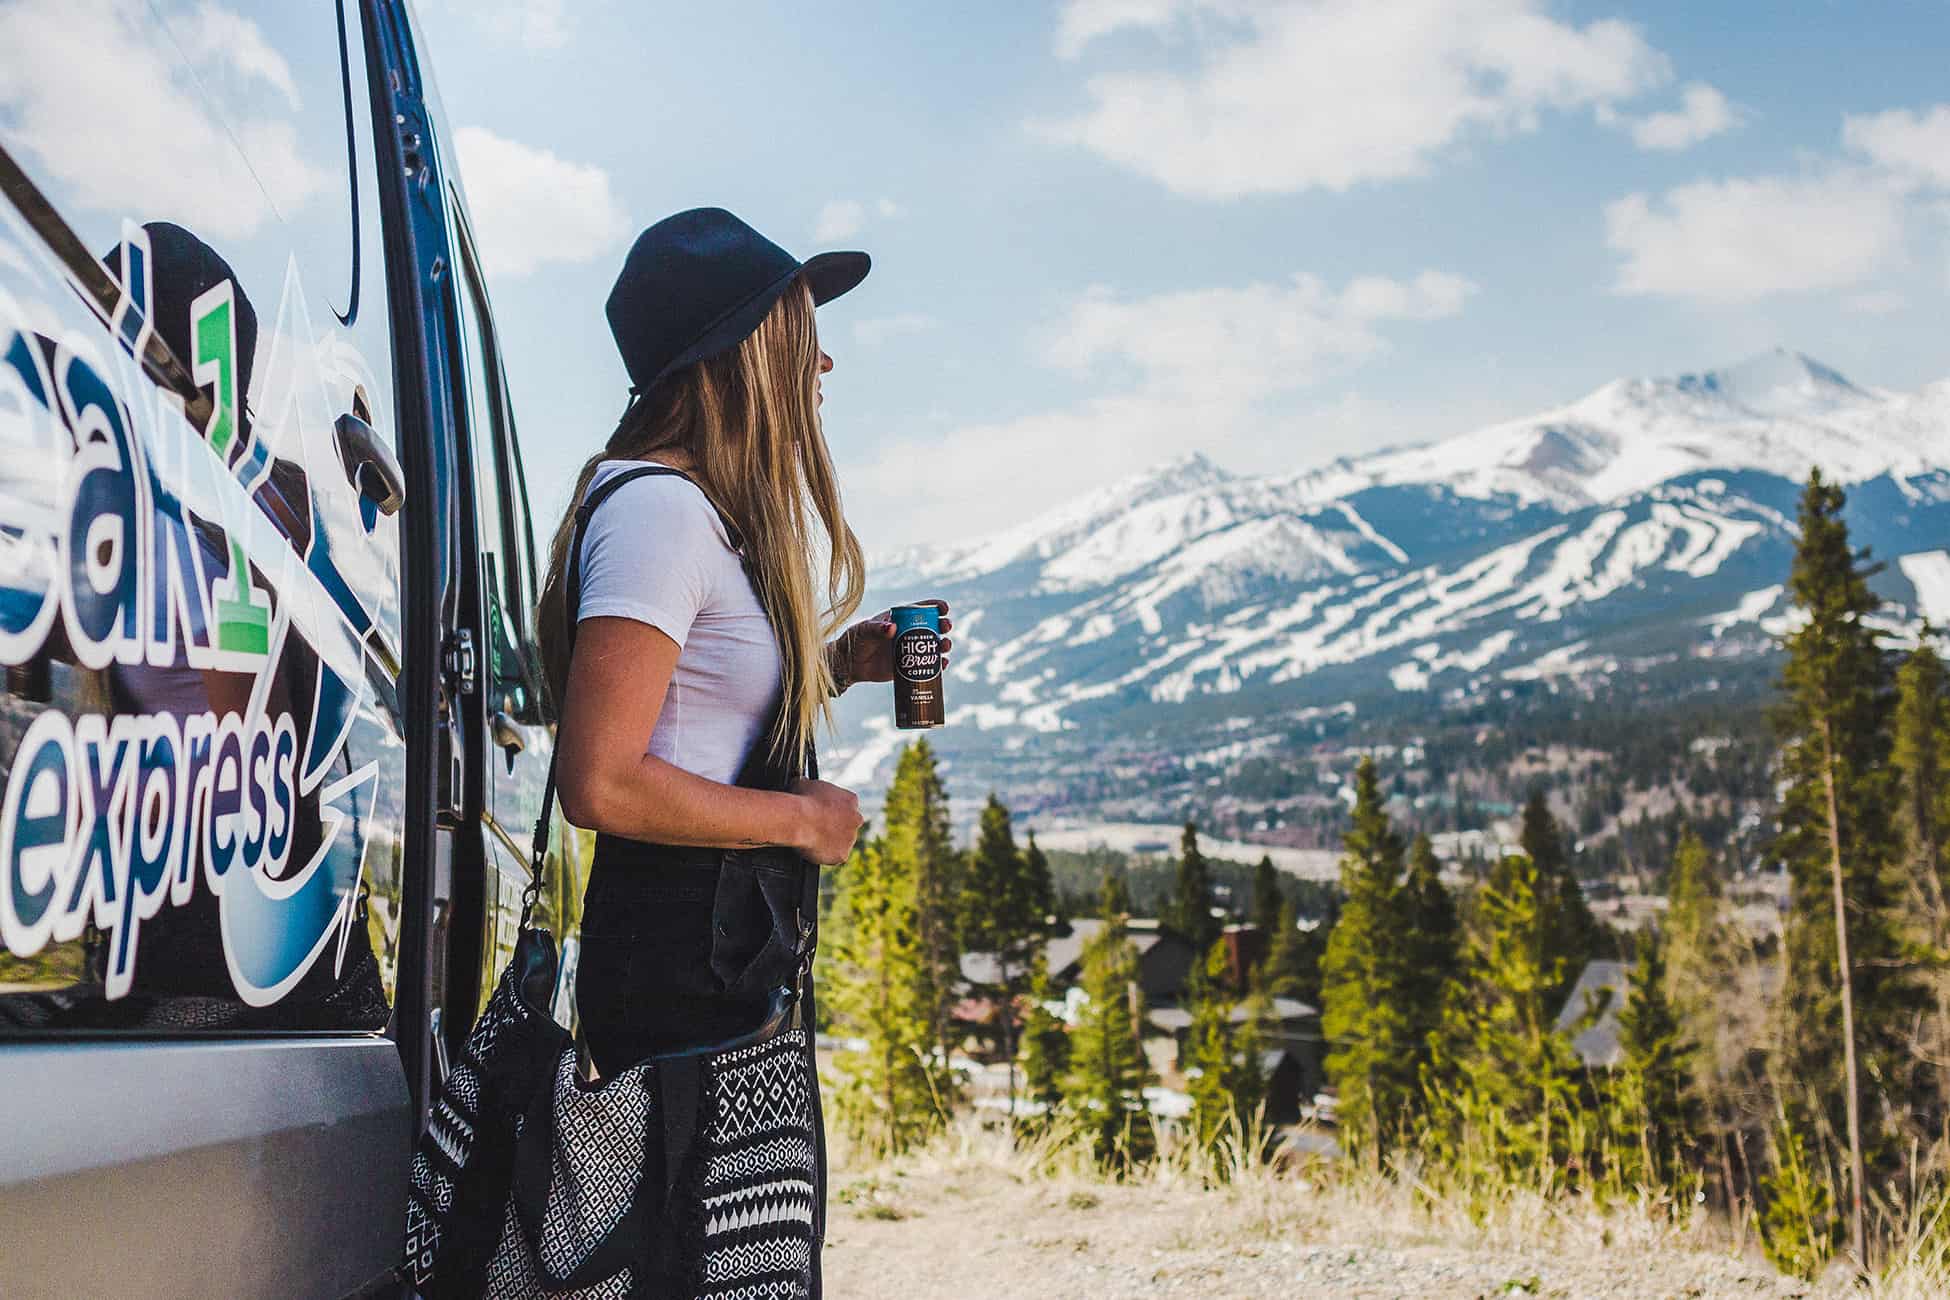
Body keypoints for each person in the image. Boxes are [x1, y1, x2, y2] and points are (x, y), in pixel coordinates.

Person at [539, 207, 951, 1298]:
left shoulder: (691, 515)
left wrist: (835, 667)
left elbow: (686, 715)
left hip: (716, 975)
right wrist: (803, 820)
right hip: (683, 979)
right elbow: (603, 776)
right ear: (734, 355)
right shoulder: (662, 514)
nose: (822, 356)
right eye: (797, 329)